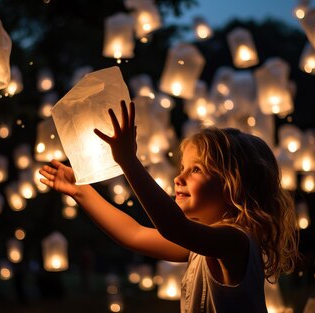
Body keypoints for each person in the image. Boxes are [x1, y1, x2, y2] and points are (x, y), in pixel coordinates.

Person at [39, 100, 299, 313]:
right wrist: (80, 191)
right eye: (182, 167)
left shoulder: (236, 242)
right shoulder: (200, 246)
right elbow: (134, 233)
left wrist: (129, 161)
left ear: (234, 185)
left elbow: (173, 226)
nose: (179, 177)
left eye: (196, 170)